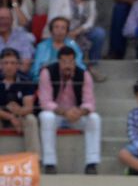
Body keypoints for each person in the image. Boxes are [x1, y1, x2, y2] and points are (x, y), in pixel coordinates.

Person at [38, 45, 101, 174]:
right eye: (64, 62)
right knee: (46, 116)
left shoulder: (84, 74)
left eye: (71, 62)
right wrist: (64, 112)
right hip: (56, 114)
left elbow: (90, 103)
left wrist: (80, 112)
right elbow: (45, 102)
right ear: (58, 61)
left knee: (94, 118)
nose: (68, 65)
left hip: (75, 115)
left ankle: (91, 163)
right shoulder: (47, 72)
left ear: (75, 61)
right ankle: (50, 163)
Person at [47, 0, 107, 82]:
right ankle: (86, 69)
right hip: (62, 32)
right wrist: (65, 32)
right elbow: (52, 18)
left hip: (81, 33)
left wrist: (76, 31)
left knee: (99, 33)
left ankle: (92, 65)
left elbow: (90, 22)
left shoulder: (91, 1)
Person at [0, 47, 39, 155]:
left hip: (20, 116)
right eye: (6, 63)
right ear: (1, 65)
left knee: (31, 119)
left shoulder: (26, 81)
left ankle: (34, 159)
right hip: (2, 116)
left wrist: (18, 112)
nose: (9, 66)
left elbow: (29, 107)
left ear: (18, 65)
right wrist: (11, 117)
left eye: (13, 63)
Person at [32, 14, 84, 78]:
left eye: (63, 28)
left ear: (67, 31)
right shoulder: (42, 46)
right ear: (51, 30)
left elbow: (80, 66)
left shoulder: (73, 45)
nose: (59, 31)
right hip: (47, 81)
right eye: (56, 27)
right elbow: (35, 71)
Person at [0, 4, 33, 72]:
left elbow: (26, 64)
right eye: (1, 18)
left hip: (18, 77)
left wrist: (10, 73)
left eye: (7, 18)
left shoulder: (22, 36)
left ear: (12, 21)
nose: (4, 21)